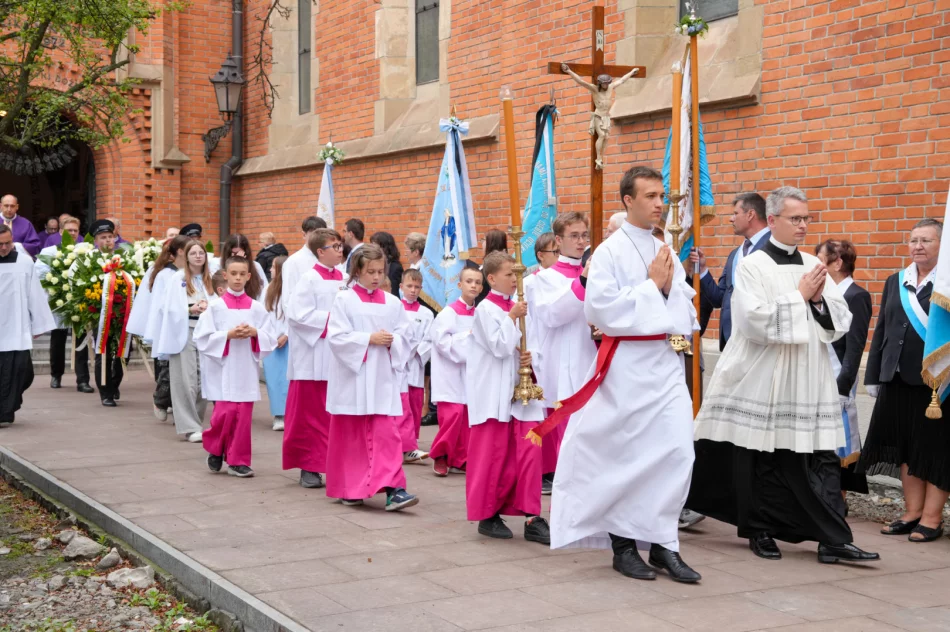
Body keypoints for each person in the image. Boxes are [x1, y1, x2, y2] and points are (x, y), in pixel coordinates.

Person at [689, 186, 879, 566]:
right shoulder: (752, 266)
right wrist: (800, 297)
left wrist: (817, 298)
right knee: (761, 455)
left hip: (808, 373)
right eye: (796, 219)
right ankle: (760, 530)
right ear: (772, 220)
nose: (803, 226)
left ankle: (832, 539)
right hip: (765, 372)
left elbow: (839, 320)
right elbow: (752, 321)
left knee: (820, 457)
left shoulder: (812, 263)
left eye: (807, 218)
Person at [535, 166, 698, 582]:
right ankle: (624, 546)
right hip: (626, 364)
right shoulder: (607, 252)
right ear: (628, 201)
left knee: (677, 452)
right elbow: (600, 309)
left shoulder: (666, 248)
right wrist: (651, 289)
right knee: (627, 456)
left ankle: (665, 545)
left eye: (662, 195)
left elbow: (685, 307)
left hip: (664, 364)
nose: (660, 203)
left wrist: (663, 292)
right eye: (650, 196)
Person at [862, 218, 948, 543]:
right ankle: (912, 513)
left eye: (926, 240)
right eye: (914, 240)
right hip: (896, 377)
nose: (918, 246)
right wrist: (874, 375)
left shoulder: (947, 283)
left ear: (943, 245)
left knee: (935, 449)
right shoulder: (895, 280)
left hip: (936, 383)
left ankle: (931, 518)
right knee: (905, 448)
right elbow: (882, 328)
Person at [325, 244, 419, 511]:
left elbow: (406, 336)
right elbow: (337, 337)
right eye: (370, 272)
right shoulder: (344, 299)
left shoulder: (392, 302)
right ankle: (351, 488)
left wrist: (393, 342)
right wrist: (369, 339)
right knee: (352, 437)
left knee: (387, 433)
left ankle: (395, 489)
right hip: (353, 378)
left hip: (380, 379)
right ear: (357, 271)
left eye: (380, 271)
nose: (376, 277)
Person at [465, 251, 550, 545]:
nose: (514, 280)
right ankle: (487, 515)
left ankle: (531, 515)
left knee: (528, 454)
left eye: (516, 274)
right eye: (508, 275)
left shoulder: (520, 307)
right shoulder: (485, 310)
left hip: (522, 393)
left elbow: (535, 343)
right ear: (491, 278)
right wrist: (513, 319)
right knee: (493, 457)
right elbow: (499, 347)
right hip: (493, 396)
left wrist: (530, 356)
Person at [531, 214, 598, 497]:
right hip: (561, 364)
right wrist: (582, 281)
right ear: (559, 240)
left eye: (585, 235)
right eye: (575, 236)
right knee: (566, 435)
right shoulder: (542, 279)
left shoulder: (597, 273)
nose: (582, 241)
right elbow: (554, 313)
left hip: (590, 358)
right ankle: (567, 494)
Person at [195, 256, 277, 478]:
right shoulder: (215, 307)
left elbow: (270, 337)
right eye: (234, 274)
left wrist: (255, 333)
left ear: (249, 276)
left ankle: (238, 461)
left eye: (242, 274)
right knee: (226, 412)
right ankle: (216, 446)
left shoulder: (257, 308)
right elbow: (201, 338)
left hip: (245, 369)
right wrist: (228, 335)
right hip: (223, 368)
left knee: (242, 416)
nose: (238, 278)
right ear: (225, 276)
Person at [284, 229, 346, 489]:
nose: (340, 250)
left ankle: (333, 463)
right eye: (335, 246)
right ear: (321, 252)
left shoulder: (345, 278)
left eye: (341, 245)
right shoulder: (308, 278)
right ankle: (308, 466)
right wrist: (334, 322)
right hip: (311, 357)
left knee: (334, 414)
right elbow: (297, 315)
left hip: (336, 355)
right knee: (309, 415)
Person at [816, 239, 872, 498]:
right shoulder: (824, 293)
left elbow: (854, 347)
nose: (815, 264)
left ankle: (839, 498)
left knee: (840, 441)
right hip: (818, 376)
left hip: (838, 378)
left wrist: (842, 386)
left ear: (837, 263)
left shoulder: (856, 295)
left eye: (820, 259)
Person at [689, 193, 770, 351]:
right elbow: (720, 299)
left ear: (750, 214)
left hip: (758, 343)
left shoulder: (773, 248)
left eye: (735, 213)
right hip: (730, 341)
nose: (731, 219)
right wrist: (703, 269)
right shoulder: (735, 254)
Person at [154, 240, 212, 442]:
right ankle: (189, 426)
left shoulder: (209, 279)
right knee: (185, 380)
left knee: (203, 379)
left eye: (201, 252)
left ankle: (197, 421)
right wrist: (190, 308)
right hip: (185, 330)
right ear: (186, 256)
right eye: (193, 253)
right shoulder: (178, 278)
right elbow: (167, 308)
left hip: (206, 332)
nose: (198, 256)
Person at [129, 235, 191, 419]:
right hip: (169, 326)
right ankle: (161, 400)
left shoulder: (193, 272)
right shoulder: (165, 274)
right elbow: (158, 304)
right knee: (168, 371)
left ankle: (181, 408)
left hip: (189, 325)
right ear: (180, 251)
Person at [429, 267, 482, 476]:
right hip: (450, 372)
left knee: (467, 417)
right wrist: (468, 337)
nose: (473, 285)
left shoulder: (480, 313)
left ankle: (461, 458)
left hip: (471, 372)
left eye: (478, 282)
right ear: (460, 285)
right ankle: (440, 454)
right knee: (453, 415)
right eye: (469, 281)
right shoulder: (448, 312)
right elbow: (442, 342)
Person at [0, 224, 55, 425]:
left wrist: (39, 323)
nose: (4, 248)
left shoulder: (25, 262)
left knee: (24, 372)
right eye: (0, 244)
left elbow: (35, 293)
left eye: (8, 243)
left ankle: (9, 404)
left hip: (17, 327)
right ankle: (4, 413)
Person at [35, 216, 94, 394]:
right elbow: (41, 274)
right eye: (69, 231)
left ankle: (83, 380)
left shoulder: (86, 251)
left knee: (81, 340)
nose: (73, 234)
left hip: (79, 302)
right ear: (61, 232)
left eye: (76, 231)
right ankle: (56, 374)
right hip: (60, 301)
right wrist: (58, 285)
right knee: (58, 340)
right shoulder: (49, 252)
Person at [85, 220, 128, 407]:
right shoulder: (89, 259)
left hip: (122, 312)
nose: (107, 241)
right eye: (103, 238)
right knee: (103, 351)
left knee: (123, 352)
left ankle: (114, 382)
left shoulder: (124, 257)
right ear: (96, 240)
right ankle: (105, 392)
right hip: (100, 314)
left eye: (110, 237)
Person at [395, 269, 433, 463]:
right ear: (401, 287)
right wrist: (404, 351)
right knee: (401, 406)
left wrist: (417, 351)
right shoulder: (394, 308)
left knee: (415, 403)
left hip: (416, 363)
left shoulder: (426, 313)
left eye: (417, 287)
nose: (412, 290)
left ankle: (412, 443)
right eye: (409, 286)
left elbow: (429, 338)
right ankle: (404, 445)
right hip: (400, 362)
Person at [262, 255, 290, 431]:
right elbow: (264, 315)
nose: (270, 270)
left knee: (287, 380)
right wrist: (270, 336)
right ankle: (278, 415)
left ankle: (289, 414)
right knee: (273, 380)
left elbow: (294, 316)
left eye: (273, 267)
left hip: (288, 342)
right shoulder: (267, 289)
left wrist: (286, 334)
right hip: (271, 341)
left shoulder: (291, 290)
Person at [281, 216, 326, 314]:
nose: (317, 238)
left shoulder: (330, 258)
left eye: (321, 234)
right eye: (313, 233)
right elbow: (288, 299)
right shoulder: (293, 262)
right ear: (304, 235)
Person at [209, 234, 268, 300]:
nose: (237, 257)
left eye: (240, 254)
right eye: (234, 254)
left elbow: (264, 292)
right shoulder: (216, 263)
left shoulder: (256, 266)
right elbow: (216, 289)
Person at [474, 229, 508, 305]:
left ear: (492, 243)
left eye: (484, 240)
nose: (482, 243)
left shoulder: (495, 268)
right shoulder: (486, 266)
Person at [370, 231, 404, 297]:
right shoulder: (376, 264)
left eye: (375, 246)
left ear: (384, 248)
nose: (372, 249)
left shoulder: (395, 268)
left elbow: (394, 293)